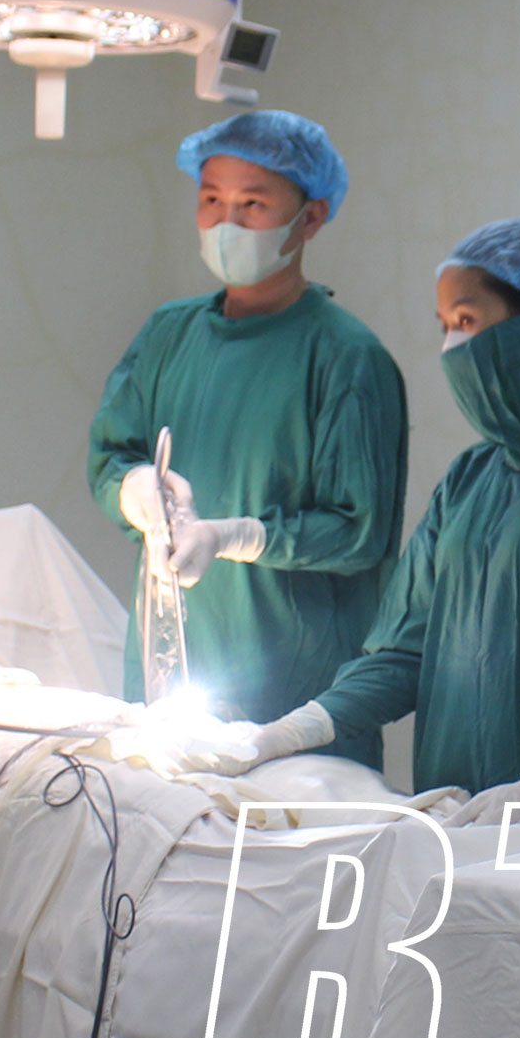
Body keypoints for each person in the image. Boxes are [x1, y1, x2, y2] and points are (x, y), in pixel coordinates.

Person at [204, 220, 520, 818]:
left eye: (466, 321)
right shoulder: (471, 479)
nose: (452, 346)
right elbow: (402, 653)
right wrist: (287, 732)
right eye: (444, 326)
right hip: (462, 816)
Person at [86, 110, 407, 764]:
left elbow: (359, 531)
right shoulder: (169, 334)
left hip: (295, 698)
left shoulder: (346, 358)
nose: (226, 222)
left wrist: (236, 536)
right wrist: (135, 488)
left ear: (310, 218)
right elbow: (112, 454)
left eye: (253, 204)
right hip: (172, 678)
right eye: (212, 200)